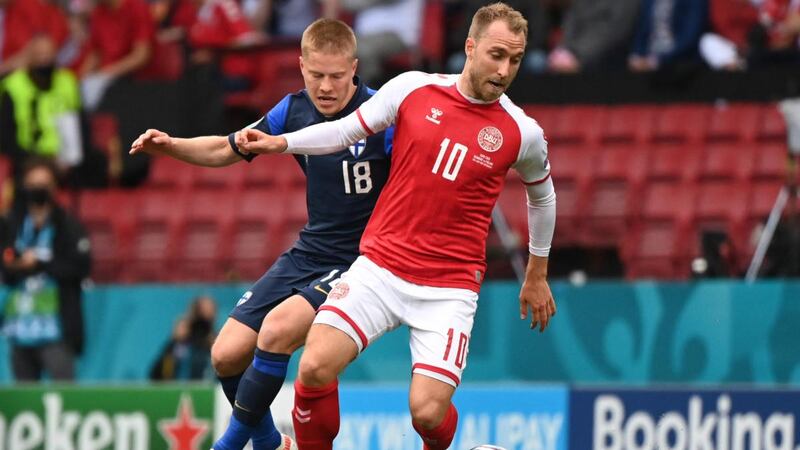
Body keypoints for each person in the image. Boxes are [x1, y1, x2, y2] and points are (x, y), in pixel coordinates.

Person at [233, 3, 557, 449]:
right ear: (470, 47)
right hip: (380, 267)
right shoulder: (412, 90)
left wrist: (537, 273)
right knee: (313, 366)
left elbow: (543, 195)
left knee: (427, 414)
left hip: (449, 287)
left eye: (515, 60)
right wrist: (282, 142)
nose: (504, 70)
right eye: (496, 55)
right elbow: (345, 131)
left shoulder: (522, 132)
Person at [129, 18, 391, 450]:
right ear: (301, 65)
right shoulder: (292, 109)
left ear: (355, 68)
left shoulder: (382, 113)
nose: (326, 87)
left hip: (363, 260)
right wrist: (171, 146)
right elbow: (228, 147)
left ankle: (227, 446)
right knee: (226, 353)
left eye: (337, 76)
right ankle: (274, 446)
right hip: (310, 252)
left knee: (274, 332)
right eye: (316, 75)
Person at [0, 158, 91, 381]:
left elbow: (80, 267)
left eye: (43, 184)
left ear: (54, 187)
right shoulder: (12, 224)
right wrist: (15, 266)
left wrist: (40, 264)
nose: (38, 190)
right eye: (33, 184)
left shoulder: (68, 224)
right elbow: (6, 267)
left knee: (63, 401)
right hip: (19, 328)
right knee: (25, 408)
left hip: (56, 330)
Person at [150, 294, 218, 380]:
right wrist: (173, 342)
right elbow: (159, 375)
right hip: (179, 389)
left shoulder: (214, 341)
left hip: (205, 389)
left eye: (211, 311)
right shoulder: (179, 345)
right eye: (200, 311)